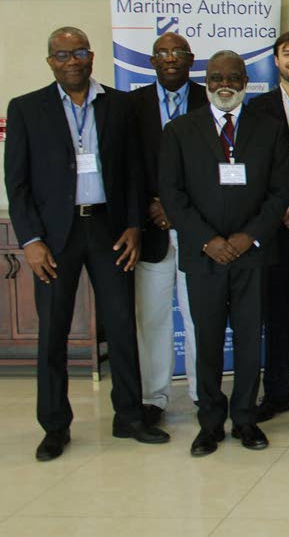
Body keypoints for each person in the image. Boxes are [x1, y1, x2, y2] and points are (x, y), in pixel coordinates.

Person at [6, 26, 168, 461]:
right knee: (53, 333)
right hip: (55, 237)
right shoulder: (26, 109)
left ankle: (130, 416)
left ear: (92, 56)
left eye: (79, 52)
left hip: (109, 230)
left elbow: (135, 173)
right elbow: (16, 184)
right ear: (50, 61)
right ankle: (55, 426)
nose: (72, 61)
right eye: (62, 54)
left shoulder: (119, 106)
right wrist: (32, 241)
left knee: (120, 325)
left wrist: (135, 226)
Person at [159, 51, 289, 456]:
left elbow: (280, 191)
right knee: (208, 339)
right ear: (206, 81)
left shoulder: (268, 130)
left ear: (246, 80)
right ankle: (210, 422)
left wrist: (248, 237)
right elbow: (172, 194)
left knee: (251, 339)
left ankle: (246, 419)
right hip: (204, 256)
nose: (224, 84)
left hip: (251, 253)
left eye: (233, 76)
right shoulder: (181, 130)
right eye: (216, 77)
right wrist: (207, 240)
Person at [129, 31, 206, 425]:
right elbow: (125, 167)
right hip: (152, 228)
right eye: (162, 53)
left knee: (199, 315)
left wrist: (179, 208)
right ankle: (153, 398)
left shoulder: (208, 99)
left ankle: (201, 396)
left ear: (191, 59)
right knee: (154, 317)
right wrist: (152, 206)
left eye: (178, 52)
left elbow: (214, 168)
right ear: (152, 61)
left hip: (196, 228)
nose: (170, 58)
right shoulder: (132, 105)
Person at [246, 29, 289, 421]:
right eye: (287, 54)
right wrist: (284, 207)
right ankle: (275, 395)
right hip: (272, 223)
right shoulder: (257, 109)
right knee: (273, 309)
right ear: (275, 60)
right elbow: (254, 169)